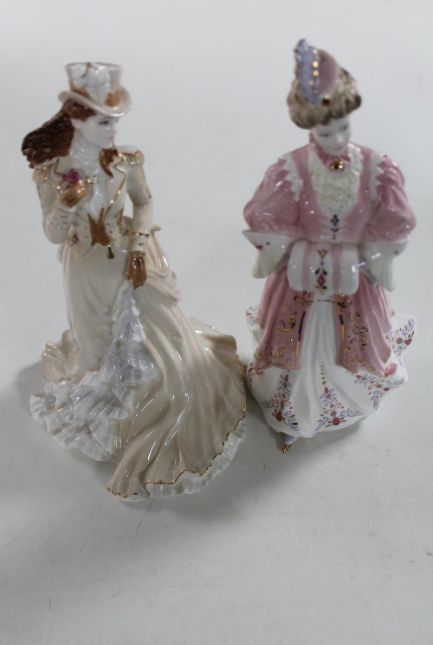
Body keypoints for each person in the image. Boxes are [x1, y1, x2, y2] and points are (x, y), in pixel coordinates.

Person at [22, 62, 245, 498]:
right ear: (77, 120)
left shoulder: (127, 161)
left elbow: (144, 204)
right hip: (85, 268)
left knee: (158, 341)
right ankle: (116, 408)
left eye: (115, 122)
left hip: (127, 258)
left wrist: (140, 246)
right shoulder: (52, 172)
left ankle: (153, 398)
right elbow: (52, 234)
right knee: (96, 347)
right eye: (104, 122)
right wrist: (67, 204)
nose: (113, 131)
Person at [244, 40, 416, 451]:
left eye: (343, 127)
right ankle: (297, 408)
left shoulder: (376, 168)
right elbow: (266, 216)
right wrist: (286, 249)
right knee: (298, 344)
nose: (336, 138)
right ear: (309, 128)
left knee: (351, 341)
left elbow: (395, 218)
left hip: (354, 276)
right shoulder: (291, 169)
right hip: (302, 276)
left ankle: (346, 399)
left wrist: (372, 253)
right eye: (325, 131)